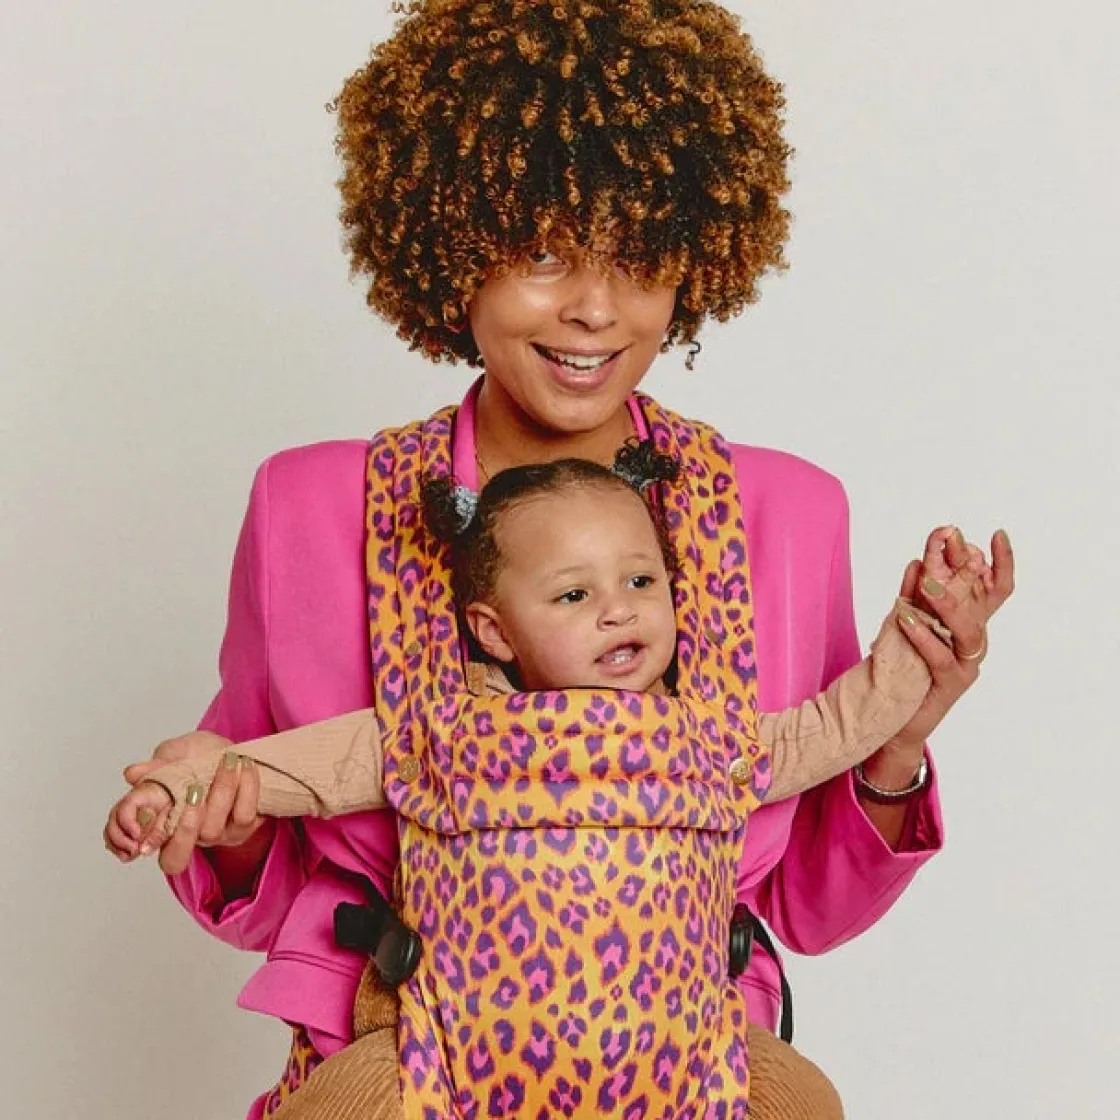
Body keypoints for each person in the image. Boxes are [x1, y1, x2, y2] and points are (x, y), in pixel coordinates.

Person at [107, 1, 1014, 1117]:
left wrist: (899, 740)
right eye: (541, 254)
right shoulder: (311, 506)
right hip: (402, 1063)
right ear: (452, 248)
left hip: (694, 1065)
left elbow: (808, 905)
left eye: (637, 257)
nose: (593, 309)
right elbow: (262, 855)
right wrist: (231, 828)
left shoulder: (786, 512)